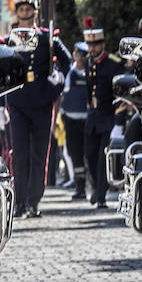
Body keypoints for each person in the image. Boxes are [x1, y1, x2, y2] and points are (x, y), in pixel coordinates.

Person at [0, 0, 69, 218]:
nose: (25, 13)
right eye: (22, 10)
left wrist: (58, 78)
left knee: (39, 154)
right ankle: (18, 202)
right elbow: (1, 71)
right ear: (16, 13)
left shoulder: (47, 38)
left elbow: (67, 61)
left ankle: (33, 201)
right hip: (17, 102)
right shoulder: (8, 40)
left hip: (42, 100)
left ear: (35, 12)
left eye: (29, 9)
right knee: (19, 155)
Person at [82, 19, 126, 210]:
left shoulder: (114, 64)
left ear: (103, 45)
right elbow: (88, 91)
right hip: (93, 118)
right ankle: (95, 187)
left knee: (102, 159)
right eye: (90, 45)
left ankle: (101, 196)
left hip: (109, 118)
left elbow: (121, 95)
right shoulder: (88, 62)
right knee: (90, 156)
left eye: (95, 45)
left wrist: (119, 122)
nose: (92, 49)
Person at [60, 43, 90, 200]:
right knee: (74, 154)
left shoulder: (90, 73)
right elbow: (61, 95)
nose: (79, 58)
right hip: (70, 119)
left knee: (89, 154)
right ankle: (80, 188)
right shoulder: (69, 73)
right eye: (77, 54)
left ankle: (92, 187)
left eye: (82, 55)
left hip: (87, 119)